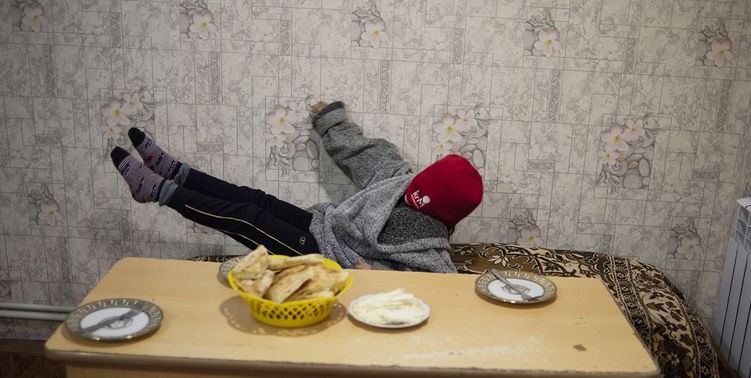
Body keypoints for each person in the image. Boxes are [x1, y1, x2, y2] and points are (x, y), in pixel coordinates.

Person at [109, 101, 483, 272]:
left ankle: (157, 191)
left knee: (248, 217)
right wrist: (330, 120)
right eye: (415, 187)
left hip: (328, 259)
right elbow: (361, 151)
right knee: (255, 199)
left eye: (420, 199)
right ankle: (176, 171)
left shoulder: (431, 258)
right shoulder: (398, 179)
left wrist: (371, 280)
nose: (410, 196)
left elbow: (422, 301)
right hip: (322, 226)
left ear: (441, 214)